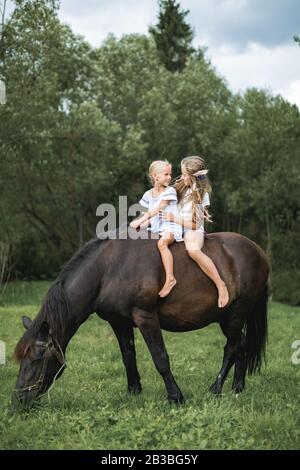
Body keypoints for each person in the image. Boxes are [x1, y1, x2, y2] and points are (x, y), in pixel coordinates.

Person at [161, 155, 229, 308]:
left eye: (185, 174)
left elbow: (194, 224)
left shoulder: (200, 195)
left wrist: (173, 219)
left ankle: (220, 285)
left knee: (193, 251)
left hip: (192, 229)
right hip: (175, 226)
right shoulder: (182, 187)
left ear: (193, 177)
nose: (182, 177)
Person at [130, 160, 182, 297]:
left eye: (170, 174)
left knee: (162, 243)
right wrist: (139, 225)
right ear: (155, 176)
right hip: (155, 229)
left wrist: (141, 221)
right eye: (166, 174)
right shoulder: (148, 195)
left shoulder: (170, 191)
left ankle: (170, 278)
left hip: (171, 227)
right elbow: (145, 216)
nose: (169, 177)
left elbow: (159, 209)